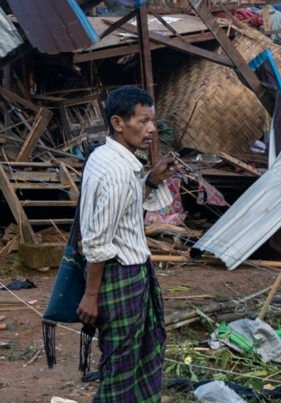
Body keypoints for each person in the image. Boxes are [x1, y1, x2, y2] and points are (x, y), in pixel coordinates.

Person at [77, 86, 178, 403]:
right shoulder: (118, 172)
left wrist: (150, 181)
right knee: (122, 367)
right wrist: (91, 297)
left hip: (130, 273)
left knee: (134, 357)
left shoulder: (104, 156)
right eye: (143, 121)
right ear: (118, 123)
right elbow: (97, 241)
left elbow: (123, 214)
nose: (151, 130)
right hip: (121, 276)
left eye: (152, 121)